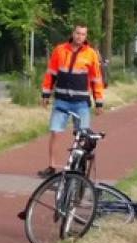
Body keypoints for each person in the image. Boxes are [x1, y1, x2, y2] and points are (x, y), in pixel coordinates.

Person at [39, 22, 105, 178]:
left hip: (81, 102)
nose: (80, 37)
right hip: (61, 100)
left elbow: (96, 79)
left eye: (83, 34)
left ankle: (79, 168)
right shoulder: (60, 50)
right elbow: (51, 73)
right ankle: (51, 166)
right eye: (77, 33)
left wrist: (99, 102)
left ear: (86, 36)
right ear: (72, 33)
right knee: (55, 133)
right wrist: (45, 94)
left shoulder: (90, 54)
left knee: (82, 137)